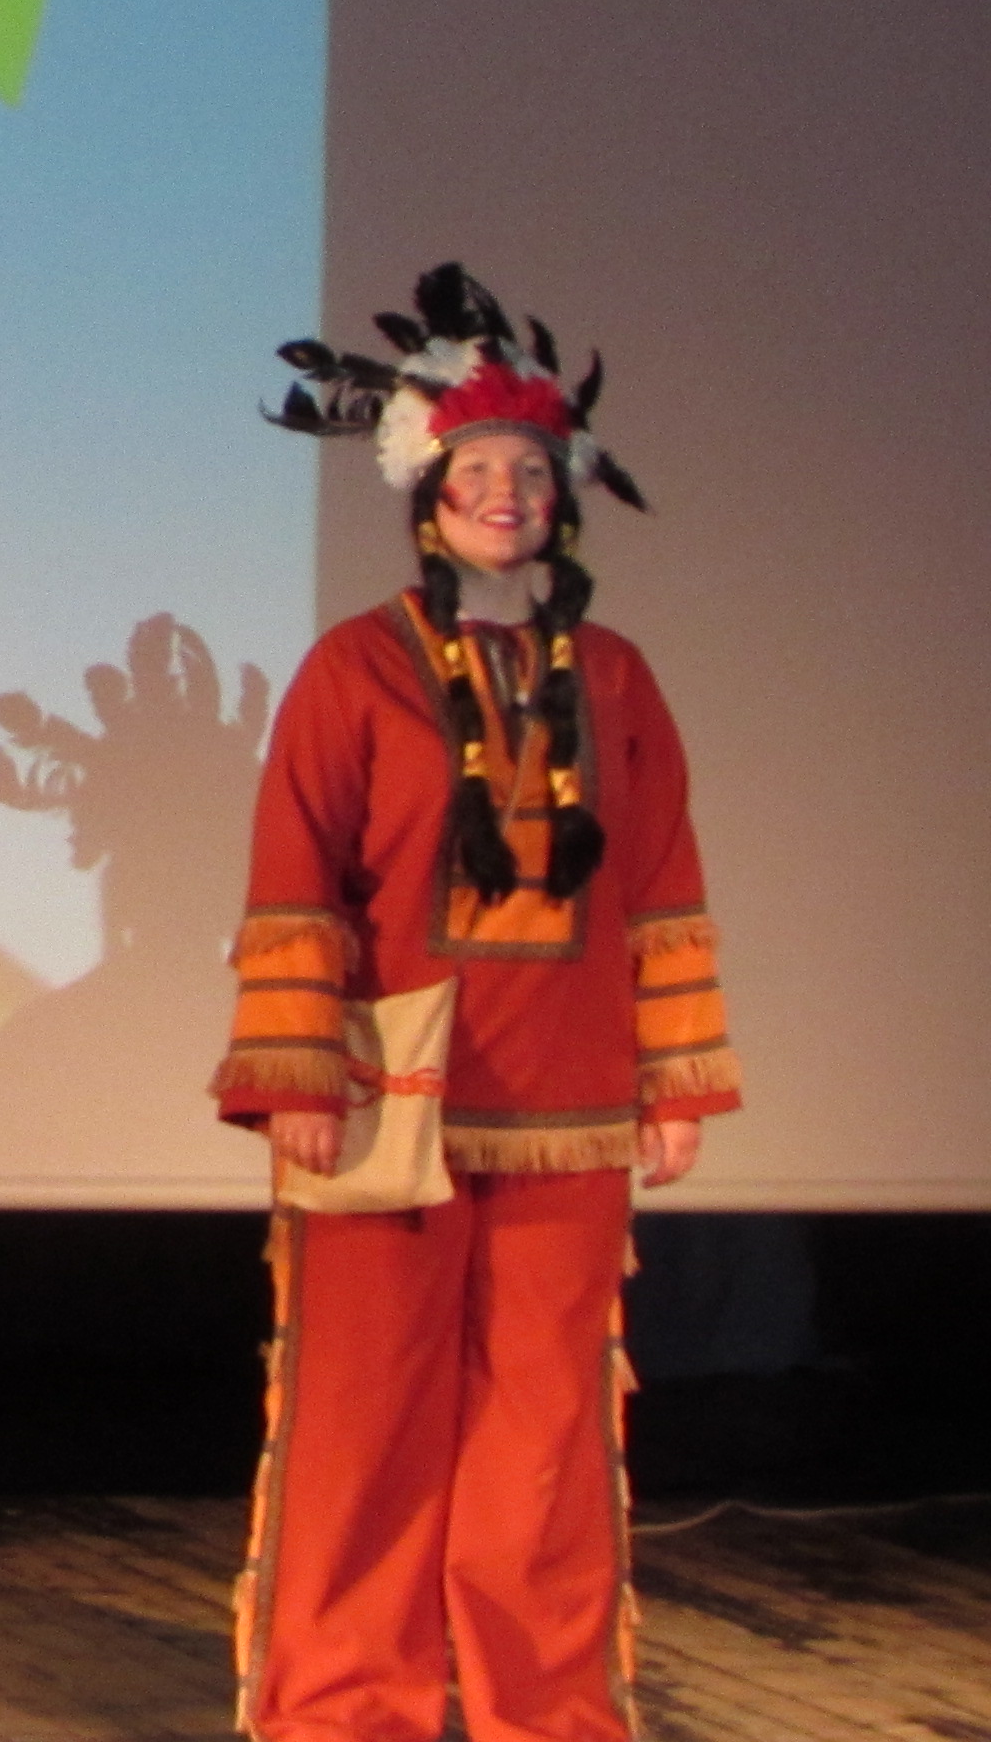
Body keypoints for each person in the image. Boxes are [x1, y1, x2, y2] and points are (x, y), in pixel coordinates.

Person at [220, 265, 737, 1742]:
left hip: (569, 1107)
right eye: (478, 471)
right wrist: (298, 1077)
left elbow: (662, 880)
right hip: (392, 1101)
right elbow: (296, 876)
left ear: (563, 497)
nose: (505, 495)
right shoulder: (354, 668)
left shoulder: (617, 679)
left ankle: (546, 1713)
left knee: (544, 1442)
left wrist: (676, 1079)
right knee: (366, 1429)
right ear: (428, 496)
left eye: (529, 472)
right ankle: (342, 1711)